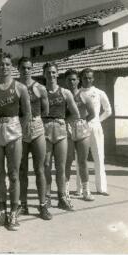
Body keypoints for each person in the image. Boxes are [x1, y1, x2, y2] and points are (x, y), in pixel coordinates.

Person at [0, 52, 31, 231]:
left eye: (7, 64)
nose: (4, 67)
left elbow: (27, 113)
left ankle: (13, 213)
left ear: (11, 66)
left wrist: (19, 128)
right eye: (0, 64)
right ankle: (1, 213)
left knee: (13, 174)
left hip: (14, 129)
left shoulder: (20, 87)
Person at [17, 57, 52, 220]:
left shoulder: (40, 88)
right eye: (23, 68)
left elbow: (45, 110)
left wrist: (34, 119)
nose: (26, 71)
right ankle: (22, 205)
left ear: (33, 69)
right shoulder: (15, 87)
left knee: (40, 168)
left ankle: (43, 205)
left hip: (36, 126)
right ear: (18, 69)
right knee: (22, 169)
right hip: (19, 127)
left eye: (29, 68)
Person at [42, 62, 80, 210]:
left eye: (53, 72)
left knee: (61, 166)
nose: (51, 75)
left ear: (57, 74)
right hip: (44, 131)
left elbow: (76, 113)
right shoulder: (41, 91)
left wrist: (63, 121)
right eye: (48, 72)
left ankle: (62, 197)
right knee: (45, 165)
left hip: (60, 131)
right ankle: (47, 196)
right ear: (44, 74)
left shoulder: (65, 92)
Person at [79, 68, 112, 195]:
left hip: (96, 128)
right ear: (81, 78)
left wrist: (98, 120)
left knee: (99, 157)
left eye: (89, 77)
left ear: (93, 79)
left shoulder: (99, 92)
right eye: (85, 77)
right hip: (81, 128)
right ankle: (80, 189)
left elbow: (108, 110)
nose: (87, 80)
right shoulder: (77, 93)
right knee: (80, 159)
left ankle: (102, 188)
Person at [64, 69, 96, 201]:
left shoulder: (84, 96)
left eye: (74, 79)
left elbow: (92, 114)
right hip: (67, 129)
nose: (72, 82)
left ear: (78, 80)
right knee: (67, 161)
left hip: (82, 129)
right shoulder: (63, 96)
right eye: (69, 79)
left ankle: (86, 191)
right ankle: (65, 192)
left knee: (82, 161)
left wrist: (82, 122)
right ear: (65, 81)